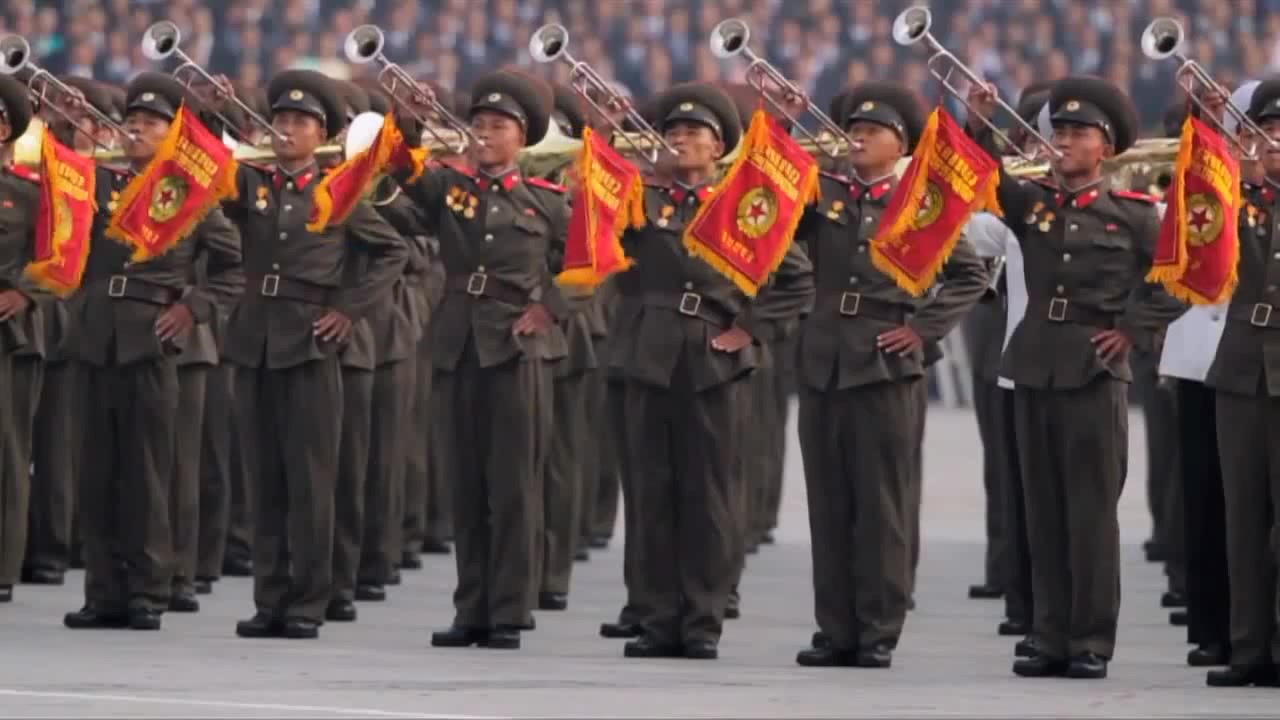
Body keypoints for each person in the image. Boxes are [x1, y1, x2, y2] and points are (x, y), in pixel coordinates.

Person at [965, 76, 1186, 679]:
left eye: (1078, 133)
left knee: (1090, 513)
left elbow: (1182, 272)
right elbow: (980, 178)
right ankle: (1048, 634)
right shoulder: (1032, 203)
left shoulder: (1134, 215)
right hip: (1034, 363)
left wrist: (1133, 328)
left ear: (1105, 147)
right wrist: (978, 122)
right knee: (1041, 509)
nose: (1063, 142)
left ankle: (1090, 639)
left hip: (1094, 370)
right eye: (1058, 131)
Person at [609, 82, 814, 661]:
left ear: (718, 146)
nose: (680, 140)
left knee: (711, 496)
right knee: (652, 495)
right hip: (649, 357)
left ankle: (703, 618)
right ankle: (657, 619)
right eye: (673, 132)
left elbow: (796, 279)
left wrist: (750, 329)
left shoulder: (742, 205)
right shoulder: (643, 200)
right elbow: (598, 238)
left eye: (693, 133)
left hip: (712, 362)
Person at [793, 82, 988, 669]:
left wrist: (922, 330)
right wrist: (782, 132)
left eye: (871, 132)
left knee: (882, 503)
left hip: (883, 363)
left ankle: (879, 627)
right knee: (829, 503)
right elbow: (770, 213)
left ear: (899, 145)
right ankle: (836, 629)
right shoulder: (823, 195)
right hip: (825, 359)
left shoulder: (918, 201)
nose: (858, 139)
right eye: (853, 129)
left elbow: (969, 275)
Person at [215, 69, 407, 640]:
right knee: (264, 478)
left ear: (320, 134)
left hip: (309, 342)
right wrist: (212, 112)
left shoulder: (336, 190)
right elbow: (204, 178)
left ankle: (309, 599)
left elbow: (392, 251)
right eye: (281, 119)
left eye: (300, 122)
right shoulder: (252, 184)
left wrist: (348, 308)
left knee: (311, 479)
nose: (288, 129)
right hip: (256, 340)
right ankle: (270, 598)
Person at [388, 69, 569, 651]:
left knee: (513, 485)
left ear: (523, 138)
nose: (485, 135)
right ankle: (471, 607)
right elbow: (400, 170)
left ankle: (509, 610)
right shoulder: (450, 188)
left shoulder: (546, 202)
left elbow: (593, 261)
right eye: (479, 124)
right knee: (465, 484)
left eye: (498, 127)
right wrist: (410, 120)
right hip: (459, 342)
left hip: (515, 349)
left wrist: (549, 308)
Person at [63, 72, 244, 630]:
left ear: (172, 134)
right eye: (131, 121)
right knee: (97, 471)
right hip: (97, 337)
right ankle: (103, 591)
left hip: (151, 338)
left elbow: (233, 266)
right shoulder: (98, 183)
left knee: (148, 471)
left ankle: (148, 589)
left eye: (150, 123)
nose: (135, 130)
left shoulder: (189, 193)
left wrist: (193, 307)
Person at [1201, 76, 1280, 687]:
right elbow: (1197, 210)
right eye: (1265, 131)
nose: (1274, 142)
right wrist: (1209, 128)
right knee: (1244, 515)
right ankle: (1248, 647)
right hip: (1241, 369)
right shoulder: (1234, 200)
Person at [536, 82, 595, 611]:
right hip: (508, 336)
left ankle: (552, 571)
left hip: (566, 334)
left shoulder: (583, 186)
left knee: (558, 458)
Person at [0, 75, 46, 604]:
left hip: (10, 332)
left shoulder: (30, 192)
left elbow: (66, 251)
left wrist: (27, 293)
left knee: (8, 453)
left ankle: (3, 563)